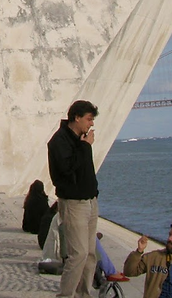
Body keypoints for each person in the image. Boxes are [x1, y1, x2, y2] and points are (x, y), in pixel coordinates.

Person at [48, 100, 100, 298]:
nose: (91, 124)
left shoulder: (81, 138)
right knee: (77, 254)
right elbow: (67, 169)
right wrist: (85, 148)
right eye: (89, 119)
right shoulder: (59, 141)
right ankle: (66, 295)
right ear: (76, 118)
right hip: (73, 203)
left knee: (90, 255)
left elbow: (86, 170)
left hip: (90, 201)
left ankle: (84, 294)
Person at [124, 222, 172, 298]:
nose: (169, 239)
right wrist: (139, 251)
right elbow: (129, 271)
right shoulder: (154, 257)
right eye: (169, 235)